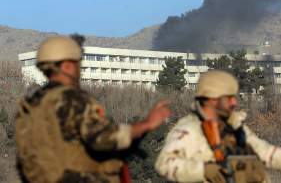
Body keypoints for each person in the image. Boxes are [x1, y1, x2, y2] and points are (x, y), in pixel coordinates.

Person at [15, 36, 171, 183]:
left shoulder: (30, 105)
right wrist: (147, 124)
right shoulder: (71, 99)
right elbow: (103, 138)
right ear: (67, 65)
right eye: (78, 63)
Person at [155, 70, 281, 183]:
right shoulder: (189, 130)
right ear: (211, 99)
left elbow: (267, 154)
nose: (235, 102)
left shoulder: (236, 128)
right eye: (229, 97)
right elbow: (164, 165)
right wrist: (205, 170)